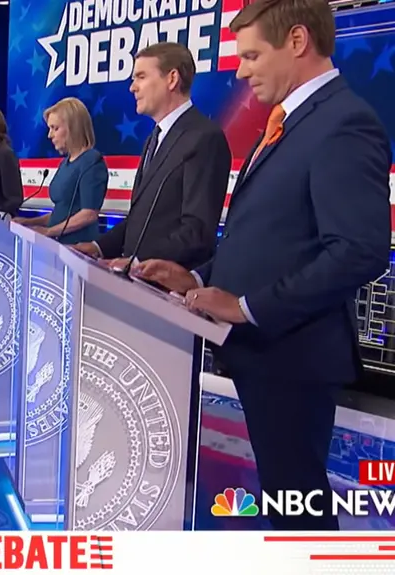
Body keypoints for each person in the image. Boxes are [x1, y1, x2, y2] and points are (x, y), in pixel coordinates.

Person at [133, 0, 391, 530]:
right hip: (265, 353)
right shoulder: (287, 123)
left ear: (296, 41)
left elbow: (358, 250)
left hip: (295, 355)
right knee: (284, 499)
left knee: (298, 508)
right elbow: (266, 237)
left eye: (251, 56)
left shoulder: (344, 124)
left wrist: (248, 307)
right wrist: (198, 279)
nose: (241, 72)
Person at [72, 42, 231, 270]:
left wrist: (137, 262)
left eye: (141, 77)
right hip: (135, 280)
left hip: (165, 283)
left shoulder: (204, 138)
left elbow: (196, 231)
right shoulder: (154, 138)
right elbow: (141, 219)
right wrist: (98, 247)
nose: (132, 88)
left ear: (172, 79)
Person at [13, 98, 108, 244]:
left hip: (77, 248)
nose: (49, 135)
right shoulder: (65, 163)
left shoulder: (92, 161)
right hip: (58, 245)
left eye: (55, 128)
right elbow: (60, 214)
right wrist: (29, 222)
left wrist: (49, 232)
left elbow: (89, 214)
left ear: (73, 128)